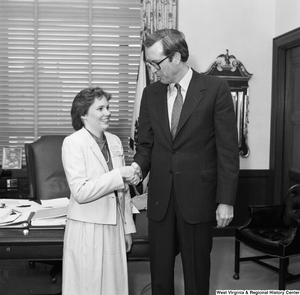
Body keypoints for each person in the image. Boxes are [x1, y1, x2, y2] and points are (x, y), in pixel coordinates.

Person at [131, 29, 240, 295]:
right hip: (160, 200)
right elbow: (146, 145)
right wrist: (137, 168)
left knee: (196, 275)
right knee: (160, 276)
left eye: (155, 63)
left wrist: (225, 200)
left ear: (176, 57)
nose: (152, 70)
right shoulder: (151, 94)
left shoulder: (215, 89)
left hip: (197, 198)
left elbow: (227, 151)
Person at [61, 87, 138, 295]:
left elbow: (123, 192)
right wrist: (118, 175)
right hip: (87, 227)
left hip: (114, 226)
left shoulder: (114, 141)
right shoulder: (73, 143)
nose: (108, 112)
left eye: (108, 107)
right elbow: (81, 191)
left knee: (114, 286)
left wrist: (127, 228)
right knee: (88, 287)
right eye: (101, 108)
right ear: (83, 114)